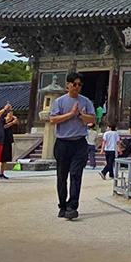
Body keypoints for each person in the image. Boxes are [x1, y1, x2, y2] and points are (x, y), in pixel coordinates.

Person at [48, 73, 96, 220]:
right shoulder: (59, 102)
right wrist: (70, 114)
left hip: (79, 142)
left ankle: (72, 206)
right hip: (62, 142)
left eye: (79, 84)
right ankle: (62, 205)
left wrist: (81, 115)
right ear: (68, 84)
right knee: (62, 176)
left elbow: (92, 119)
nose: (77, 87)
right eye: (74, 84)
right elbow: (53, 119)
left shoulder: (86, 101)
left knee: (76, 175)